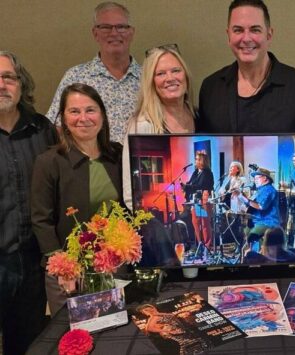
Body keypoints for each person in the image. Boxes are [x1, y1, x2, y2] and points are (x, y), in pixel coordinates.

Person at [32, 83, 122, 315]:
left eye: (90, 110)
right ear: (63, 118)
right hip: (70, 276)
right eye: (74, 111)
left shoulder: (118, 154)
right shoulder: (49, 162)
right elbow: (41, 220)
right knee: (75, 344)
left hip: (115, 271)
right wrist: (63, 268)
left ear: (102, 114)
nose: (83, 118)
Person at [198, 0, 295, 133]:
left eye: (255, 30)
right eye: (238, 30)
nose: (246, 38)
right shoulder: (210, 88)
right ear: (229, 36)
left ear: (269, 35)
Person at [0, 51, 57, 355]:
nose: (2, 85)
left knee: (28, 344)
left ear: (21, 84)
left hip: (34, 260)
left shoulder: (42, 129)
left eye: (9, 77)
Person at [46, 2, 140, 142]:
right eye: (106, 27)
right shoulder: (76, 77)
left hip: (140, 162)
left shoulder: (149, 78)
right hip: (92, 162)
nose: (114, 33)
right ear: (95, 33)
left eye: (121, 27)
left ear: (131, 33)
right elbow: (57, 127)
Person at [123, 45, 196, 211]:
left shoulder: (199, 116)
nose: (170, 78)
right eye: (160, 73)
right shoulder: (142, 125)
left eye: (176, 70)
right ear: (151, 82)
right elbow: (131, 194)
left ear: (185, 75)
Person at [238, 167, 280, 248]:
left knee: (252, 235)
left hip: (267, 222)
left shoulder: (269, 190)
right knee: (243, 233)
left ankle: (257, 255)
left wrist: (245, 199)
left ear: (265, 178)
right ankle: (250, 254)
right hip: (256, 221)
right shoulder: (259, 191)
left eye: (257, 178)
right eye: (254, 178)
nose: (255, 180)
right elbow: (251, 205)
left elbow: (261, 206)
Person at [181, 152, 214, 252]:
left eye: (199, 159)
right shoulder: (196, 172)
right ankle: (200, 244)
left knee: (204, 223)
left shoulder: (207, 172)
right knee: (195, 222)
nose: (196, 161)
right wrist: (185, 186)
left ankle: (207, 245)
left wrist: (187, 187)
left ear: (204, 161)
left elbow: (200, 185)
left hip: (203, 200)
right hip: (195, 200)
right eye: (196, 159)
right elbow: (191, 183)